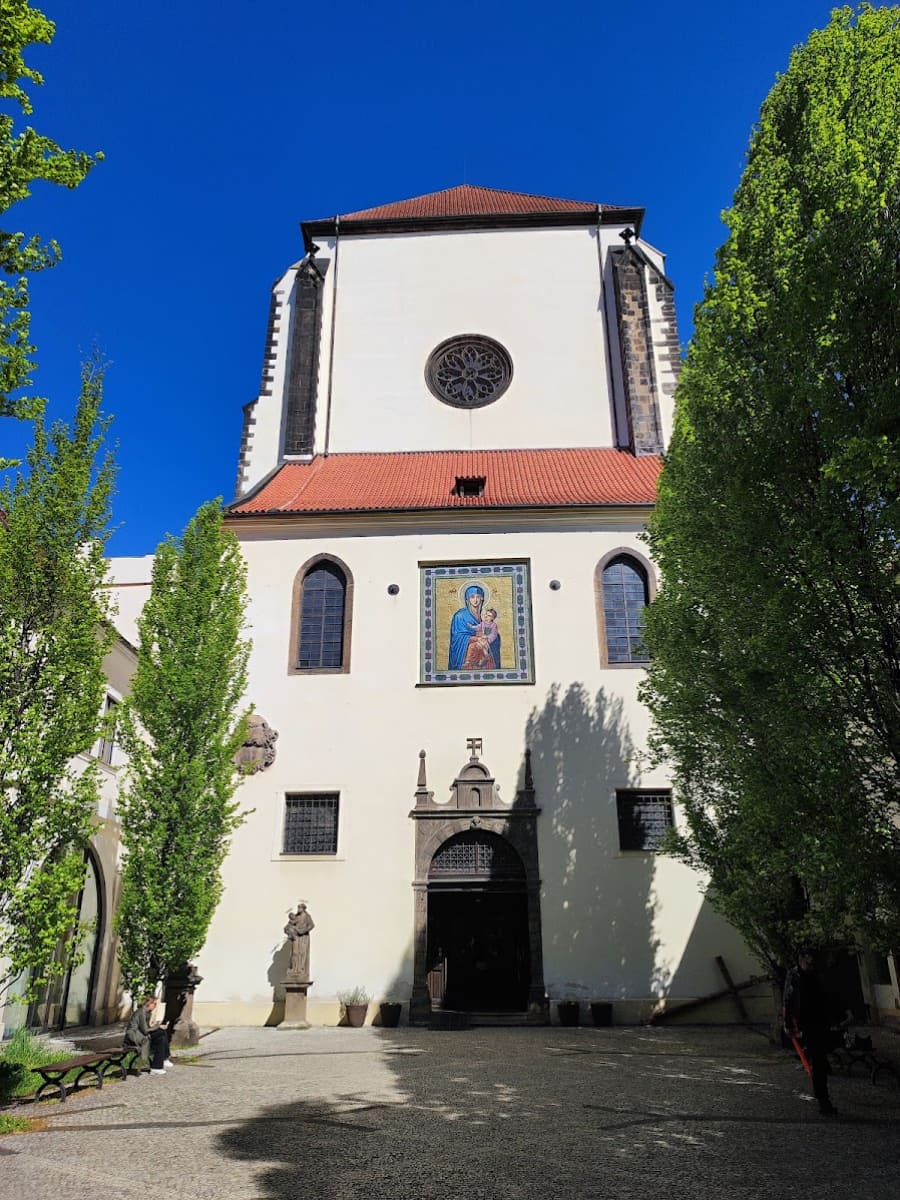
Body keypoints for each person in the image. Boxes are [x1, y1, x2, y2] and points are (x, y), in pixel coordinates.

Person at [783, 948, 838, 1116]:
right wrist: (788, 1023)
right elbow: (788, 999)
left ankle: (823, 1098)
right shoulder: (794, 975)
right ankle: (824, 1101)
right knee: (818, 1061)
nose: (811, 961)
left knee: (821, 1060)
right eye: (808, 958)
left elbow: (828, 994)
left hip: (822, 1020)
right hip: (807, 1023)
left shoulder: (817, 974)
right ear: (801, 958)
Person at [124, 995, 173, 1075]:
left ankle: (157, 1066)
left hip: (141, 1034)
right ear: (149, 1003)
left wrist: (154, 1026)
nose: (155, 1006)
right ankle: (161, 1061)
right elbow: (145, 1030)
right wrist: (158, 1026)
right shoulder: (141, 1012)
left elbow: (146, 1028)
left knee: (161, 1037)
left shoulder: (147, 1012)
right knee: (161, 1032)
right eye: (154, 1004)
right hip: (135, 1036)